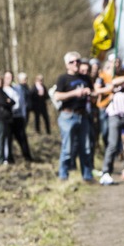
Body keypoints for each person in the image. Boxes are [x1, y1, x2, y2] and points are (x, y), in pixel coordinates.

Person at [54, 52, 94, 181]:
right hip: (68, 116)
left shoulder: (86, 78)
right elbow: (57, 96)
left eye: (77, 61)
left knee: (86, 148)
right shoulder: (63, 79)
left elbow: (94, 94)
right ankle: (63, 175)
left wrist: (90, 93)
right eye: (72, 62)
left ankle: (87, 176)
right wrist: (74, 93)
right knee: (67, 147)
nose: (75, 63)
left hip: (83, 116)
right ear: (67, 65)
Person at [2, 71, 32, 163]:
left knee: (22, 137)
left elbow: (21, 103)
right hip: (8, 117)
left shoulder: (17, 89)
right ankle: (8, 158)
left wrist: (23, 115)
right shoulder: (1, 90)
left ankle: (27, 157)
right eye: (7, 77)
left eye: (11, 77)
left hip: (18, 116)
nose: (9, 79)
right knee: (8, 138)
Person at [0, 75, 14, 165]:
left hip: (6, 118)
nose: (0, 82)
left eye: (1, 80)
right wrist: (7, 101)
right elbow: (3, 102)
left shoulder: (3, 92)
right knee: (0, 137)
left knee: (6, 138)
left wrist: (8, 101)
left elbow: (13, 101)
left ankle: (5, 158)